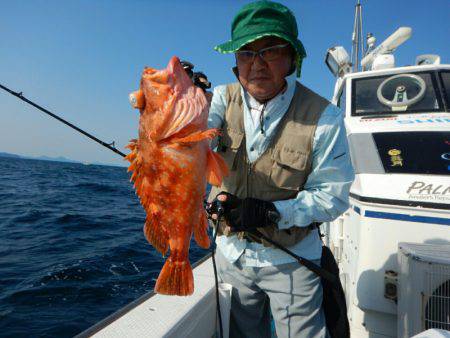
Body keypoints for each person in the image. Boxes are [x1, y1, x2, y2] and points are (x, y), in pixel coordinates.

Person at [206, 1, 355, 337]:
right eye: (246, 52)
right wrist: (179, 98)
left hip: (292, 260)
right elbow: (194, 135)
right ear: (235, 60)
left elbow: (333, 196)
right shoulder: (219, 99)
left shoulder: (325, 117)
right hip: (232, 255)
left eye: (269, 51)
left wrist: (272, 212)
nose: (256, 64)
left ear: (291, 58)